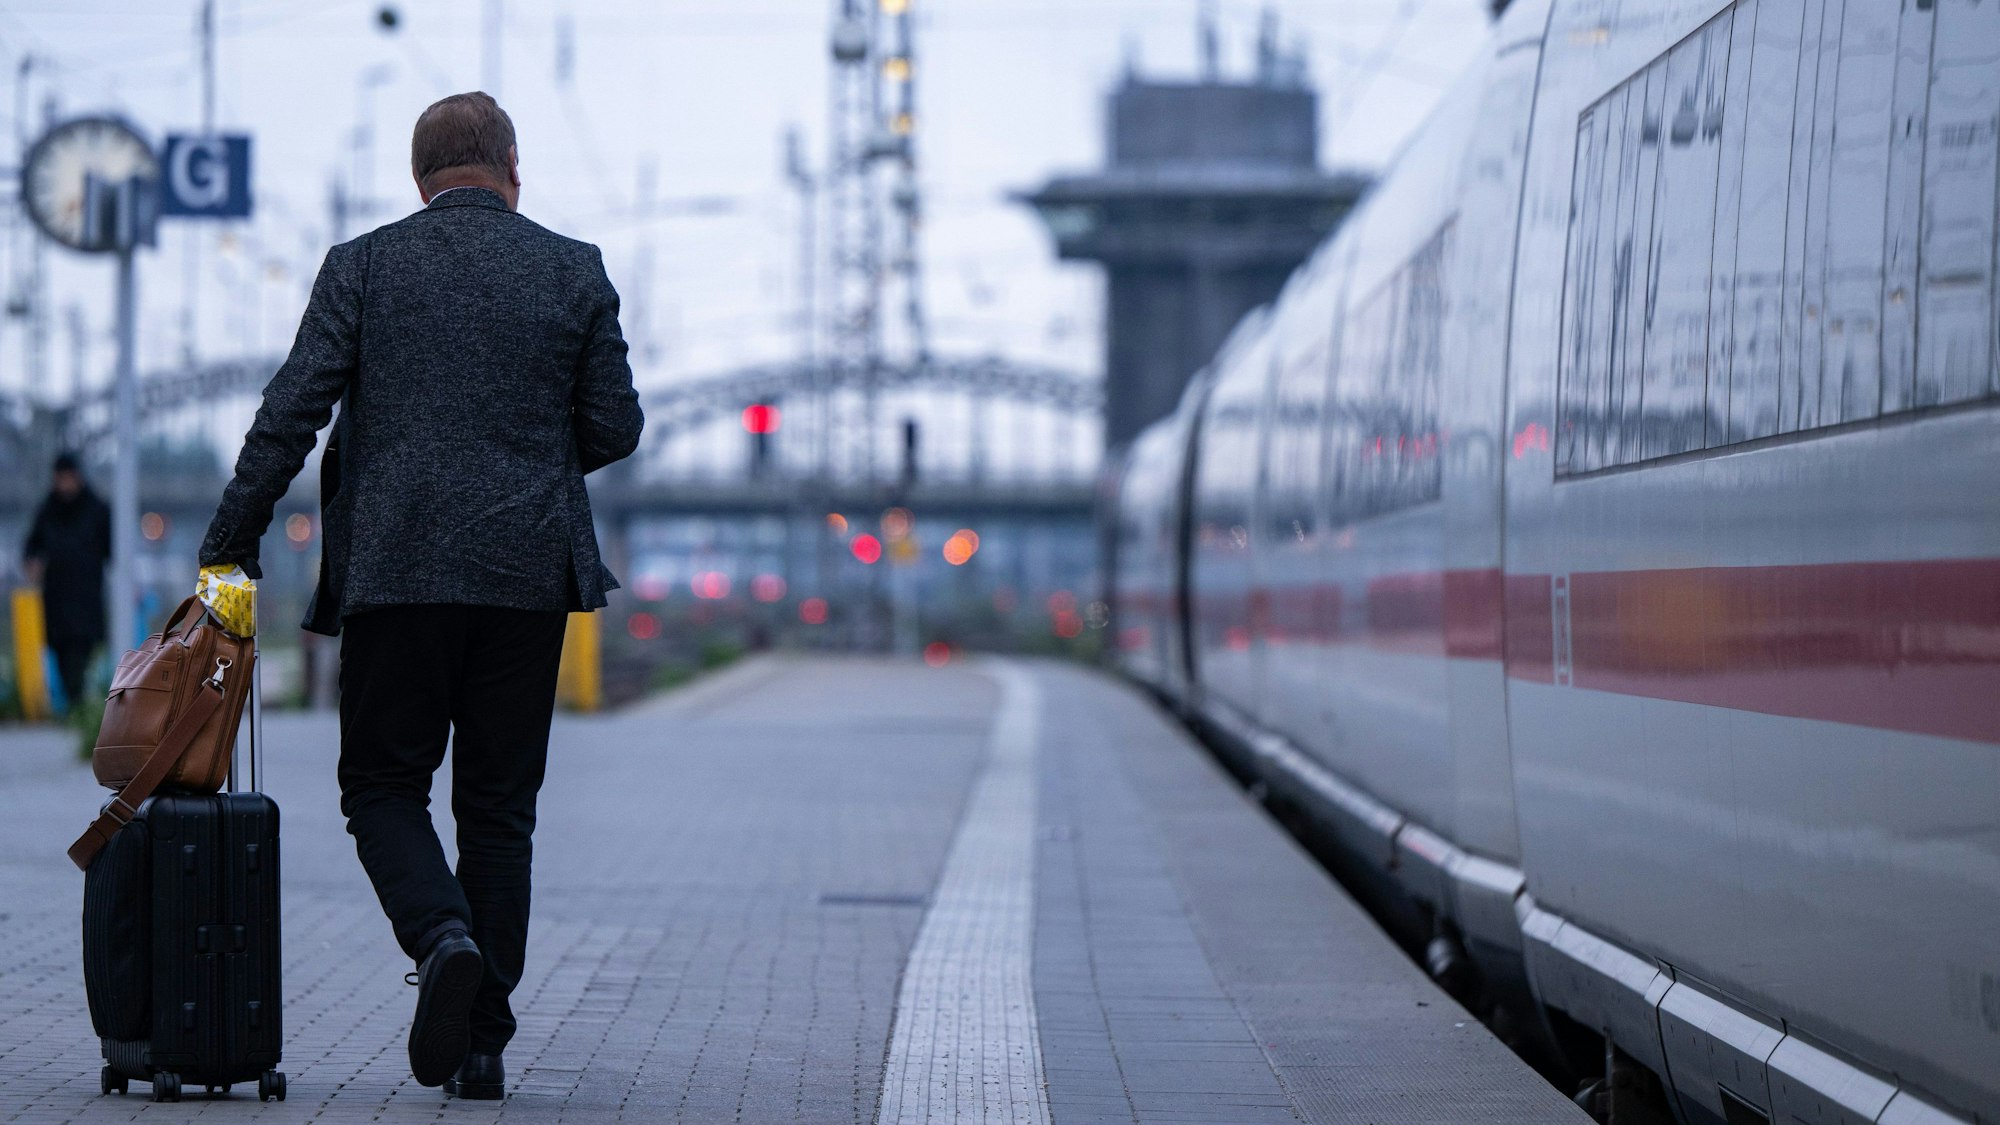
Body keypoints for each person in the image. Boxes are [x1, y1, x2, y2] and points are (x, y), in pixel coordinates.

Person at [198, 91, 643, 1099]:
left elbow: (290, 413)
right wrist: (524, 462)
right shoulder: (573, 269)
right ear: (512, 172)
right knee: (498, 806)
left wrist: (231, 539)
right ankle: (482, 1044)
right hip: (526, 579)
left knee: (383, 788)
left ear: (419, 180)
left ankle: (441, 936)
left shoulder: (364, 266)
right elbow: (614, 426)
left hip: (395, 573)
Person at [23, 452, 112, 709]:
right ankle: (74, 706)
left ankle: (77, 705)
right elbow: (32, 545)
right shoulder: (48, 509)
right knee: (61, 651)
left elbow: (114, 549)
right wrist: (32, 563)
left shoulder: (97, 509)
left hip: (86, 596)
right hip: (56, 597)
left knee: (79, 652)